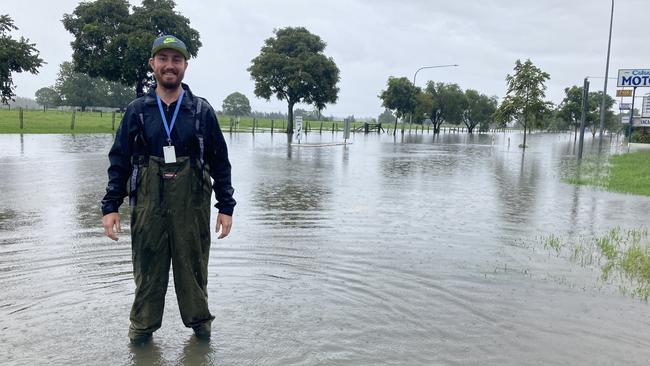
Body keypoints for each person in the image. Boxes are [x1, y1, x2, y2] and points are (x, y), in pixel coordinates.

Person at [101, 34, 236, 344]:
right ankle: (140, 338)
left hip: (192, 209)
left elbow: (221, 163)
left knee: (194, 273)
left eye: (176, 59)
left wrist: (226, 206)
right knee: (147, 276)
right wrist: (110, 206)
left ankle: (202, 338)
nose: (169, 65)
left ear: (185, 66)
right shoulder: (138, 110)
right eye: (163, 59)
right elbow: (119, 160)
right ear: (153, 64)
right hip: (149, 209)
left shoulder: (201, 111)